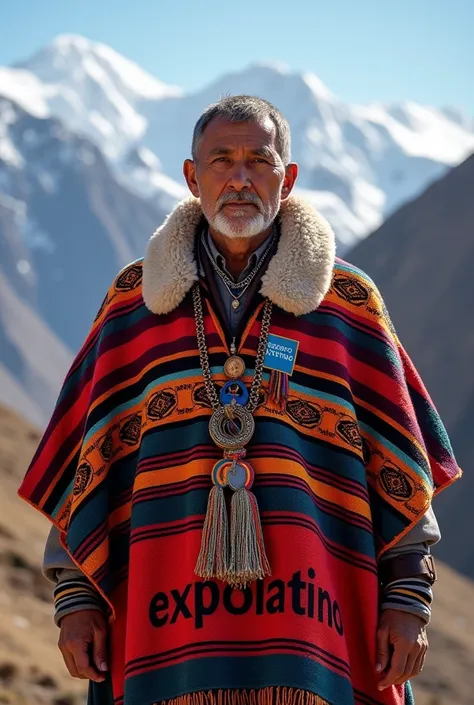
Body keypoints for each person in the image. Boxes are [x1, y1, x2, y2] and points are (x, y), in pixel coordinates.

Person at [19, 95, 460, 705]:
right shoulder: (133, 303)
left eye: (259, 160)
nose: (240, 178)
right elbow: (88, 461)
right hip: (160, 627)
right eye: (221, 160)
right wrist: (75, 599)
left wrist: (409, 599)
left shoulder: (348, 304)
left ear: (290, 176)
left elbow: (400, 469)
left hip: (317, 627)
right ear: (192, 176)